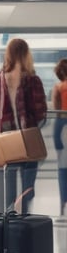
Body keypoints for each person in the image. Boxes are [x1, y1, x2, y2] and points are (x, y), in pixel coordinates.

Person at [0, 38, 47, 214]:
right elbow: (40, 112)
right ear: (26, 55)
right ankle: (24, 217)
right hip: (27, 137)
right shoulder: (33, 80)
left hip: (6, 138)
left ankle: (10, 219)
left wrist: (2, 116)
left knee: (8, 183)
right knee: (28, 185)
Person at [52, 58, 67, 215]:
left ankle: (63, 202)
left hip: (63, 128)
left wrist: (56, 141)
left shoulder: (58, 88)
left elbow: (57, 114)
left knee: (63, 170)